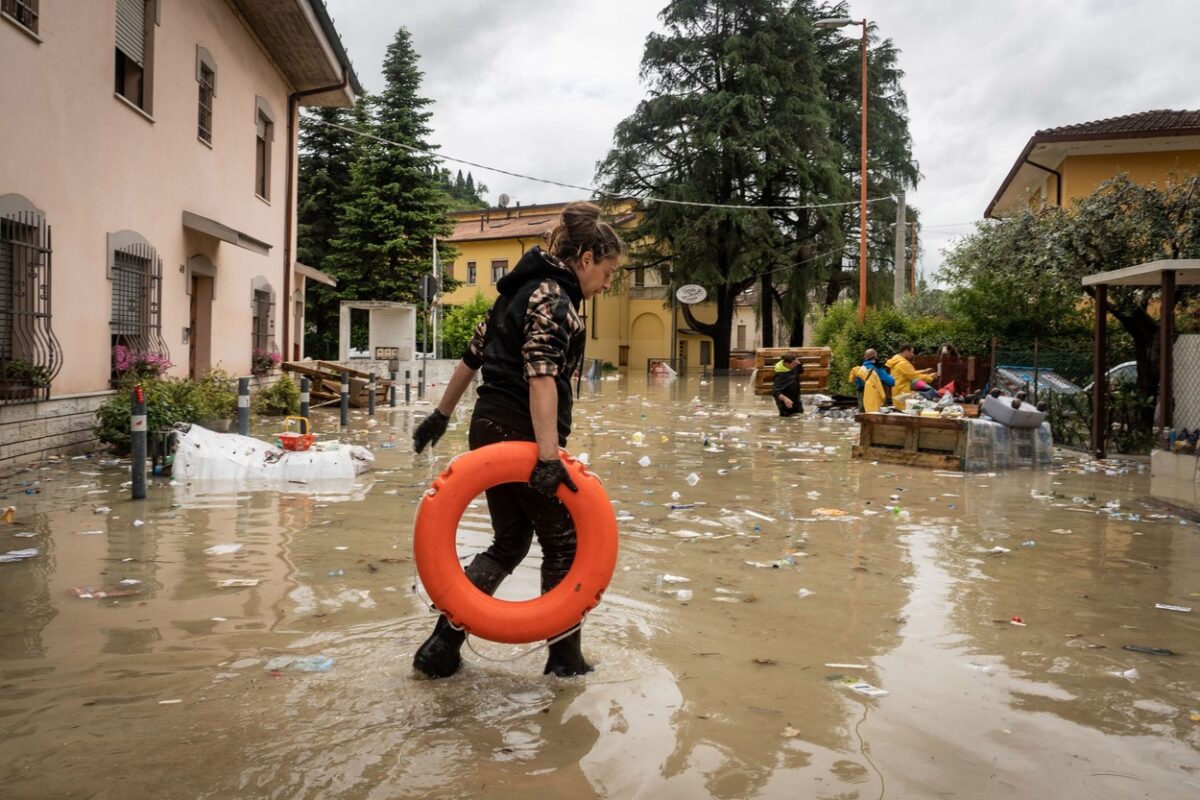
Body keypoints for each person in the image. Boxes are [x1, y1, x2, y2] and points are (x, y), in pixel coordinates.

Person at [410, 201, 625, 679]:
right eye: (608, 271)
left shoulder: (515, 292)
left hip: (487, 428)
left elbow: (472, 355)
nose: (608, 283)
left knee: (510, 540)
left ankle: (442, 647)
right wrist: (548, 457)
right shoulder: (554, 296)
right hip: (521, 435)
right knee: (565, 545)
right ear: (586, 257)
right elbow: (542, 374)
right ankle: (564, 662)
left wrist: (442, 416)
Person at [848, 348, 894, 413]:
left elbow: (858, 386)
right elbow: (891, 382)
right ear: (875, 358)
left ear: (865, 358)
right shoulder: (877, 369)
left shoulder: (860, 370)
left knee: (864, 421)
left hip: (863, 404)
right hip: (875, 403)